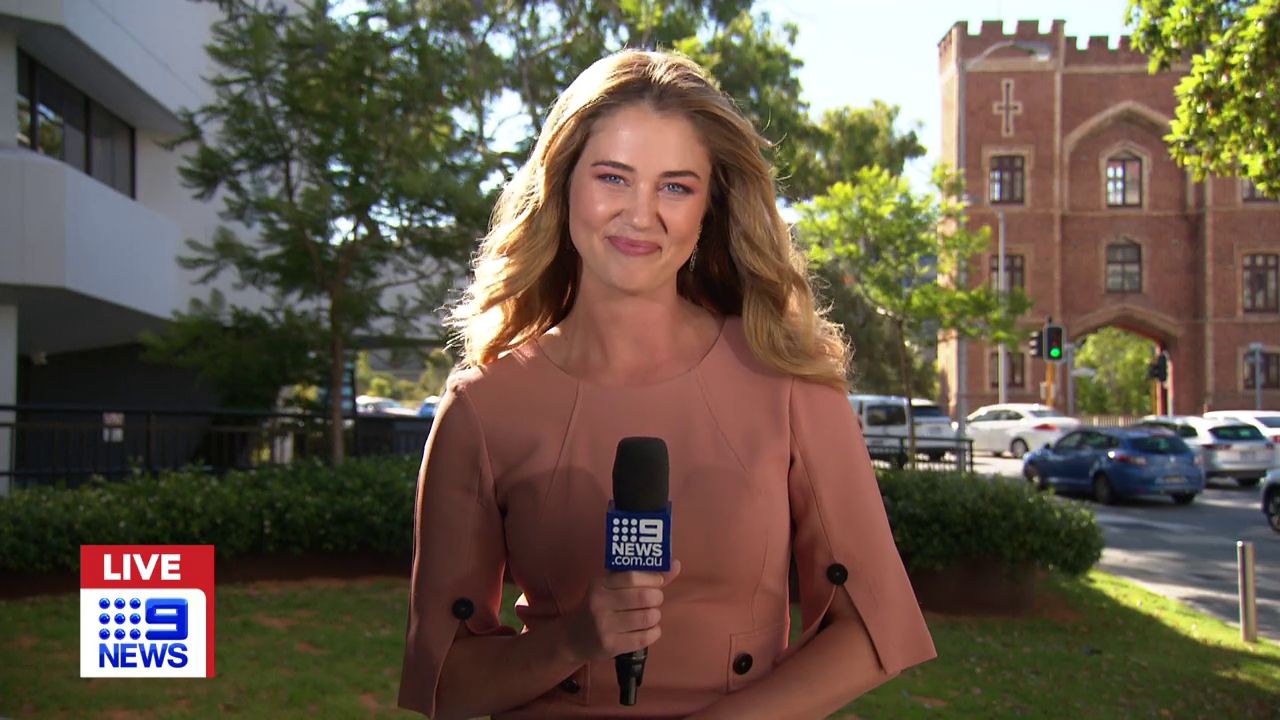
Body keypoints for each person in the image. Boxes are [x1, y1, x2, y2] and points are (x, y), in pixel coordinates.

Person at [397, 49, 936, 719]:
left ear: (710, 206)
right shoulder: (482, 407)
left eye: (675, 187)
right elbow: (445, 682)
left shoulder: (788, 384)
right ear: (562, 185)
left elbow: (873, 630)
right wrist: (575, 639)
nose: (640, 213)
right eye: (612, 178)